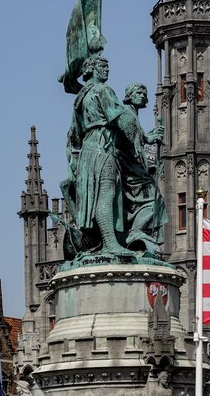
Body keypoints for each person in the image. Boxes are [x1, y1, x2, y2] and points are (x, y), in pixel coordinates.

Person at [65, 55, 133, 256]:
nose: (107, 70)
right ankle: (111, 243)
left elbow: (75, 135)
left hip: (88, 152)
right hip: (104, 147)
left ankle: (103, 242)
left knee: (97, 197)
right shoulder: (103, 91)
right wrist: (141, 140)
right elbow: (121, 120)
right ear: (92, 69)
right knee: (107, 194)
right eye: (104, 66)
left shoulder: (80, 100)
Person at [119, 83, 168, 256]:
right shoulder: (126, 114)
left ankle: (138, 231)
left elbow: (138, 139)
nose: (142, 96)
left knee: (156, 200)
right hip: (127, 167)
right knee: (155, 201)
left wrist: (149, 137)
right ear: (130, 95)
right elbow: (128, 143)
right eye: (138, 92)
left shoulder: (132, 115)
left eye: (144, 93)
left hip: (133, 166)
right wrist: (148, 139)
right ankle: (136, 231)